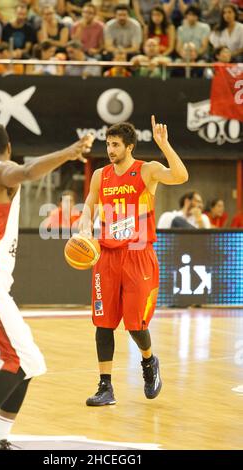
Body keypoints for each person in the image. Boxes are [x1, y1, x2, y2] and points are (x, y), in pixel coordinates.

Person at [0, 123, 93, 450]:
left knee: (29, 360)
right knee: (13, 359)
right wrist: (69, 152)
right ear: (7, 147)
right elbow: (26, 171)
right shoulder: (1, 170)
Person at [78, 117, 188, 406]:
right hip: (108, 256)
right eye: (108, 144)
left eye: (115, 145)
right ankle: (106, 386)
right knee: (103, 323)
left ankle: (149, 362)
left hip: (138, 255)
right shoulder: (101, 175)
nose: (110, 149)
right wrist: (83, 229)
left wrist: (164, 145)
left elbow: (180, 176)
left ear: (129, 146)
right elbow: (88, 208)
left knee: (136, 325)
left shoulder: (146, 171)